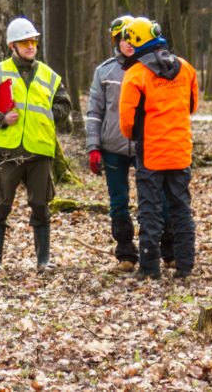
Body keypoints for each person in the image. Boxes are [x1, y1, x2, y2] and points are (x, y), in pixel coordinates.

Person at [0, 17, 72, 273]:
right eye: (24, 42)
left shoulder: (49, 75)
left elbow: (64, 105)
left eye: (33, 41)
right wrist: (0, 119)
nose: (30, 46)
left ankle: (43, 261)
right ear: (12, 46)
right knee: (1, 205)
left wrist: (50, 115)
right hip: (6, 152)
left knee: (41, 206)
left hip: (39, 151)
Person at [118, 17, 199, 280]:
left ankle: (150, 268)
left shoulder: (136, 74)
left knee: (150, 211)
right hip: (180, 152)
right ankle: (185, 265)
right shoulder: (186, 68)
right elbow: (192, 106)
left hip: (151, 154)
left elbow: (126, 122)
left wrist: (138, 136)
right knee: (181, 210)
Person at [85, 16, 139, 273]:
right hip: (112, 148)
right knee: (118, 201)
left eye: (132, 38)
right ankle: (126, 255)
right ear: (116, 40)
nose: (128, 43)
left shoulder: (149, 68)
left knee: (155, 200)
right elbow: (95, 112)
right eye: (123, 39)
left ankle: (165, 250)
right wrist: (93, 147)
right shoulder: (104, 71)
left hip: (144, 146)